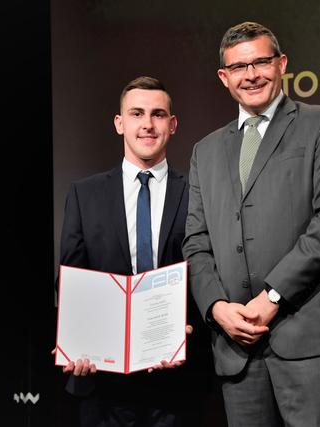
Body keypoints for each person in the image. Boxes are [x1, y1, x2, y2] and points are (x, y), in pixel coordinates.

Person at [183, 22, 320, 427]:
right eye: (239, 67)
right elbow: (195, 242)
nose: (251, 75)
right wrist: (216, 308)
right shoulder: (205, 151)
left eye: (261, 62)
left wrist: (272, 297)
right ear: (223, 77)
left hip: (312, 342)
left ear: (281, 64)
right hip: (237, 349)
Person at [57, 76, 192, 427]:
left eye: (158, 114)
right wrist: (78, 343)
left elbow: (209, 270)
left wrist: (189, 329)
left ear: (172, 125)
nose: (147, 124)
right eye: (136, 113)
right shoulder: (84, 195)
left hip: (176, 379)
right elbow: (72, 278)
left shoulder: (197, 192)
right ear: (120, 123)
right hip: (103, 381)